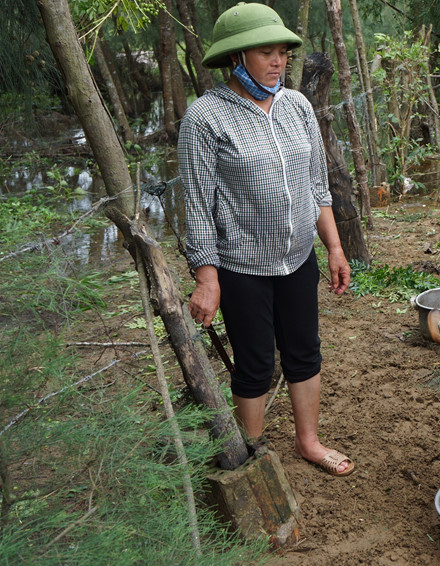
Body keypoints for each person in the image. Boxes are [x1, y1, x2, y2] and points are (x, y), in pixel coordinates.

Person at [178, 2, 354, 476]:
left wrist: (334, 248)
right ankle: (253, 455)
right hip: (241, 265)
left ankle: (309, 442)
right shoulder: (206, 117)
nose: (277, 62)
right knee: (254, 363)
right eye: (265, 53)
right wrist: (206, 277)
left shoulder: (296, 106)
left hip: (298, 258)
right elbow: (196, 203)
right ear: (236, 58)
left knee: (304, 350)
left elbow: (317, 186)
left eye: (282, 53)